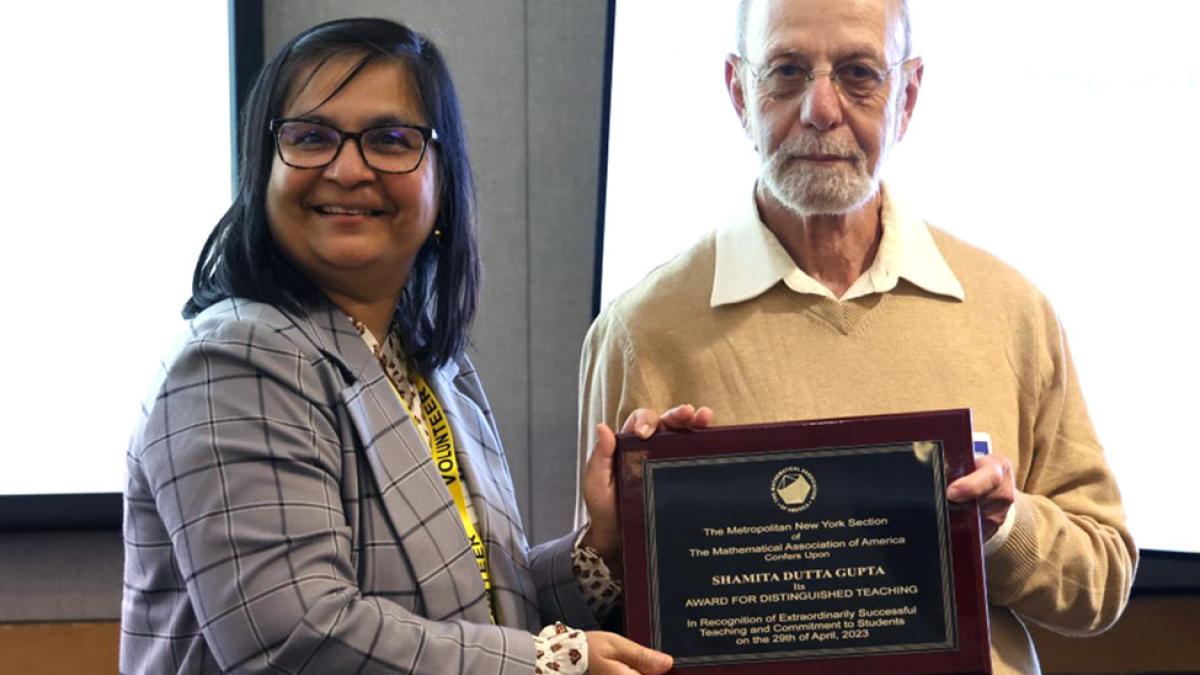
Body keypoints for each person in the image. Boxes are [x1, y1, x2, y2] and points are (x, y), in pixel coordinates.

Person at [120, 17, 710, 675]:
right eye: (311, 137)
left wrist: (599, 548)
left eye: (390, 139)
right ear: (264, 169)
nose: (347, 169)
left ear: (442, 177)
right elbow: (292, 637)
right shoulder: (231, 360)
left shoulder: (431, 363)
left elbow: (482, 611)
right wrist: (555, 661)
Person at [575, 1, 1136, 673]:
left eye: (859, 72)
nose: (820, 107)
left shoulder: (1010, 310)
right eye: (784, 71)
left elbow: (1101, 583)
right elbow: (589, 615)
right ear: (738, 91)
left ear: (908, 95)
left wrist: (1002, 529)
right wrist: (615, 552)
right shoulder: (641, 330)